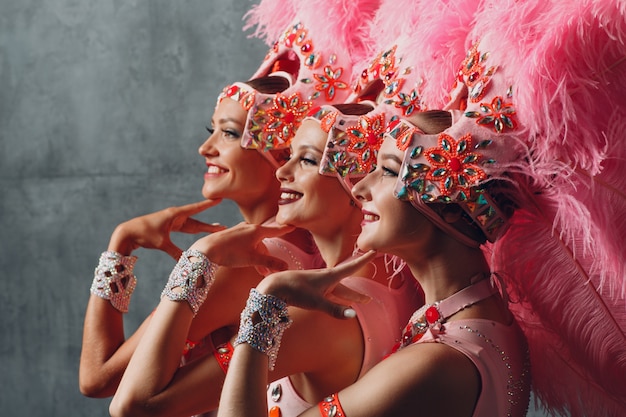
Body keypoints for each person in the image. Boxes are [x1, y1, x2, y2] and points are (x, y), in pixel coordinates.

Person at [80, 0, 371, 404]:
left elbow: (100, 381)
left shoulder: (247, 262)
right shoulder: (290, 251)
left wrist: (122, 245)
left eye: (230, 133)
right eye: (211, 130)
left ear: (279, 152)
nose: (206, 147)